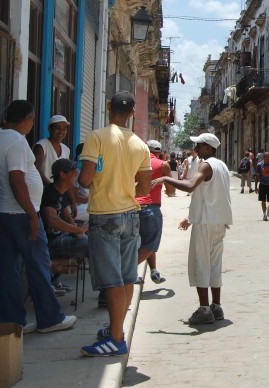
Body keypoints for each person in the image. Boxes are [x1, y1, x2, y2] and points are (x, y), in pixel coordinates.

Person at [0, 100, 77, 334]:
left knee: (9, 268)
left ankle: (11, 320)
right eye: (32, 120)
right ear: (27, 119)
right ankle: (50, 318)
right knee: (38, 265)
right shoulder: (16, 141)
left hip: (2, 210)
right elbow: (16, 180)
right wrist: (32, 215)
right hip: (19, 213)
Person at [78, 91, 151, 357]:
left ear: (108, 107)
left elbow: (85, 180)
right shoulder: (141, 145)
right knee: (127, 276)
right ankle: (116, 329)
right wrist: (123, 185)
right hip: (131, 214)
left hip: (105, 214)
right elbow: (144, 186)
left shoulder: (96, 137)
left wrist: (100, 177)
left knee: (112, 280)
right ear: (132, 113)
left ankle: (116, 338)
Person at [151, 133, 232, 325]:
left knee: (201, 264)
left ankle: (204, 309)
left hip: (206, 224)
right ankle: (216, 307)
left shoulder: (206, 165)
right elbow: (210, 196)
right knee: (214, 265)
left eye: (199, 144)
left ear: (209, 147)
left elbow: (189, 186)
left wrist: (166, 178)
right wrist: (191, 216)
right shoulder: (222, 166)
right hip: (217, 222)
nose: (195, 147)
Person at [40, 158, 89, 294]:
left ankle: (54, 279)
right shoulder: (50, 193)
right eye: (73, 172)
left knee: (90, 242)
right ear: (62, 174)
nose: (76, 175)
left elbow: (67, 216)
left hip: (60, 238)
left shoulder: (62, 193)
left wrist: (79, 234)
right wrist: (77, 230)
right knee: (91, 246)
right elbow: (52, 219)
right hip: (51, 243)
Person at [136, 139, 173, 285]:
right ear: (159, 153)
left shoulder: (135, 162)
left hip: (132, 206)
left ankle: (154, 271)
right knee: (151, 243)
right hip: (151, 208)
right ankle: (127, 272)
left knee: (143, 242)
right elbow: (171, 190)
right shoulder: (162, 165)